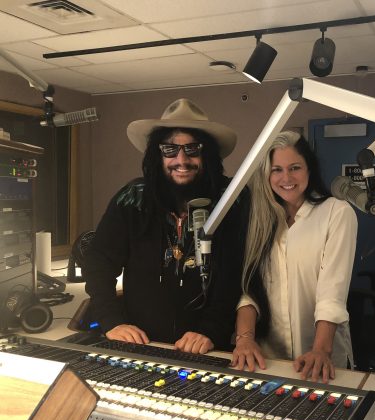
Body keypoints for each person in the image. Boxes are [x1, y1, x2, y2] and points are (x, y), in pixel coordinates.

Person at [83, 98, 247, 354]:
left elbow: (238, 273)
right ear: (157, 154)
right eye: (170, 150)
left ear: (207, 154)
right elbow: (98, 262)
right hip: (142, 345)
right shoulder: (131, 199)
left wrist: (211, 329)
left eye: (193, 149)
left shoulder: (232, 200)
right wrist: (112, 321)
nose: (181, 160)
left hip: (209, 347)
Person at [232, 130, 357, 382]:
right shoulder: (257, 219)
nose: (286, 178)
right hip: (267, 359)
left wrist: (321, 350)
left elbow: (331, 294)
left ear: (309, 170)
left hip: (320, 360)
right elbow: (249, 289)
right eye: (276, 169)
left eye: (295, 167)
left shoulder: (337, 213)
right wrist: (244, 340)